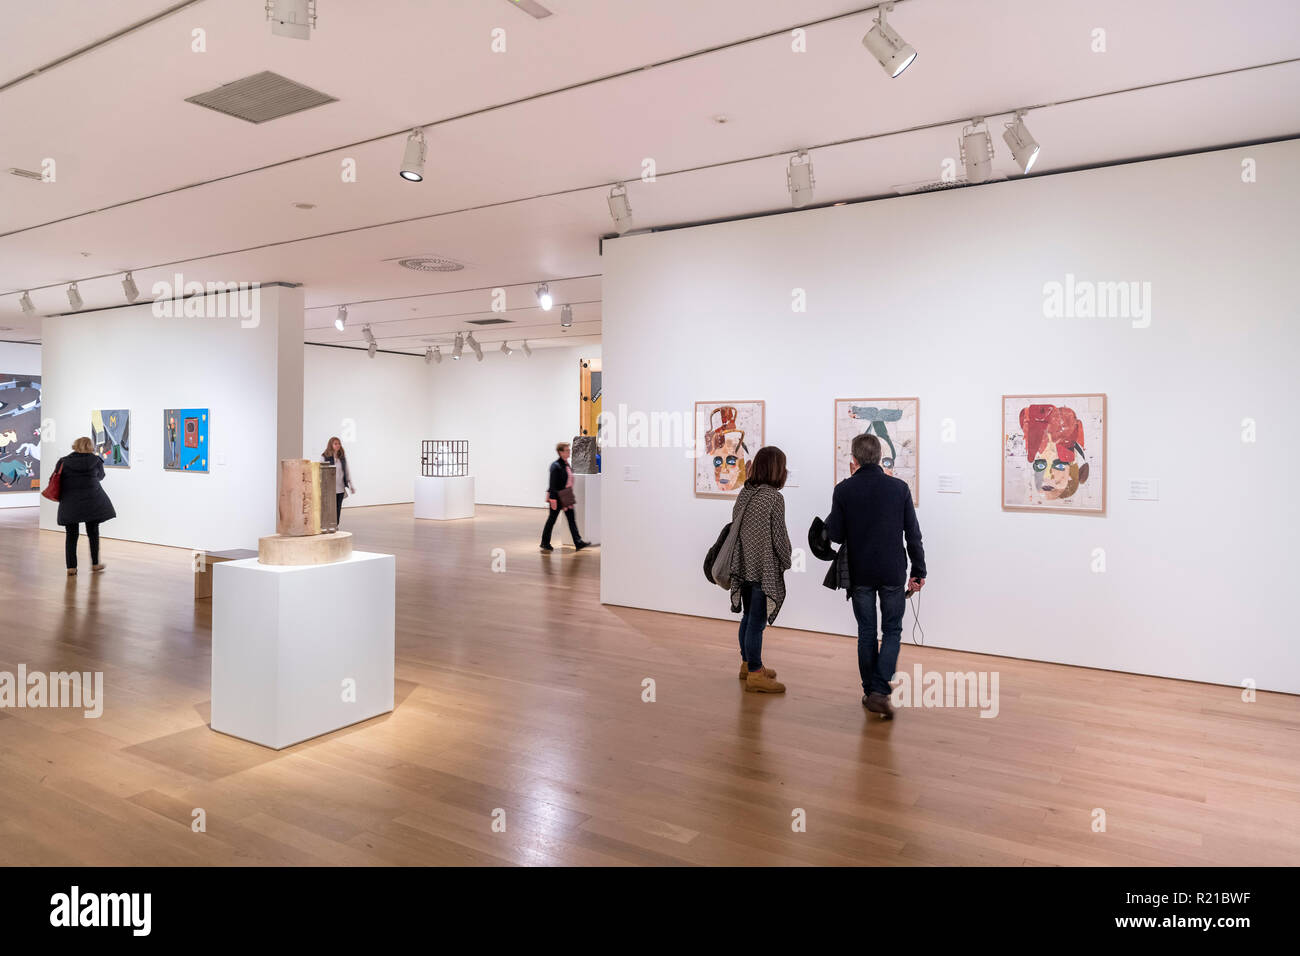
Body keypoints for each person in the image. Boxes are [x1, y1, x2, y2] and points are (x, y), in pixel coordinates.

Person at [826, 433, 926, 718]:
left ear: (854, 460)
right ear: (881, 458)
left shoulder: (844, 490)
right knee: (892, 630)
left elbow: (835, 534)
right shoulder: (898, 488)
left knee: (866, 632)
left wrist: (848, 484)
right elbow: (913, 535)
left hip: (860, 572)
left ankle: (871, 691)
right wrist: (919, 570)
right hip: (893, 571)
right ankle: (880, 691)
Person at [729, 446, 792, 694]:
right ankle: (756, 673)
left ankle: (748, 664)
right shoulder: (774, 498)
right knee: (757, 622)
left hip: (742, 566)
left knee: (748, 617)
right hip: (761, 570)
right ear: (777, 469)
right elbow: (779, 536)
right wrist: (787, 559)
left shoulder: (745, 493)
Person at [55, 437, 117, 576]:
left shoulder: (63, 461)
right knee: (93, 533)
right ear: (90, 446)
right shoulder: (96, 461)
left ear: (75, 445)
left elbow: (56, 477)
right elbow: (100, 476)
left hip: (70, 501)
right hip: (92, 500)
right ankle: (95, 564)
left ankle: (71, 567)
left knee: (71, 535)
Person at [541, 442, 591, 552]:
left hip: (566, 494)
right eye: (567, 450)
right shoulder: (556, 466)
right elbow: (552, 484)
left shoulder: (565, 464)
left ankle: (578, 542)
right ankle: (544, 542)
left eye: (569, 450)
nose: (569, 452)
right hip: (558, 496)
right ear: (560, 452)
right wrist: (553, 499)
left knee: (571, 519)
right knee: (552, 520)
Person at [322, 437, 356, 525]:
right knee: (329, 509)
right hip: (329, 488)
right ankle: (327, 525)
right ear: (331, 445)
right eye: (335, 444)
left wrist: (351, 485)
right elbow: (320, 472)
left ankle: (335, 526)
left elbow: (347, 472)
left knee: (337, 508)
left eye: (339, 443)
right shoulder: (324, 457)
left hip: (340, 488)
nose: (338, 445)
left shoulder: (342, 457)